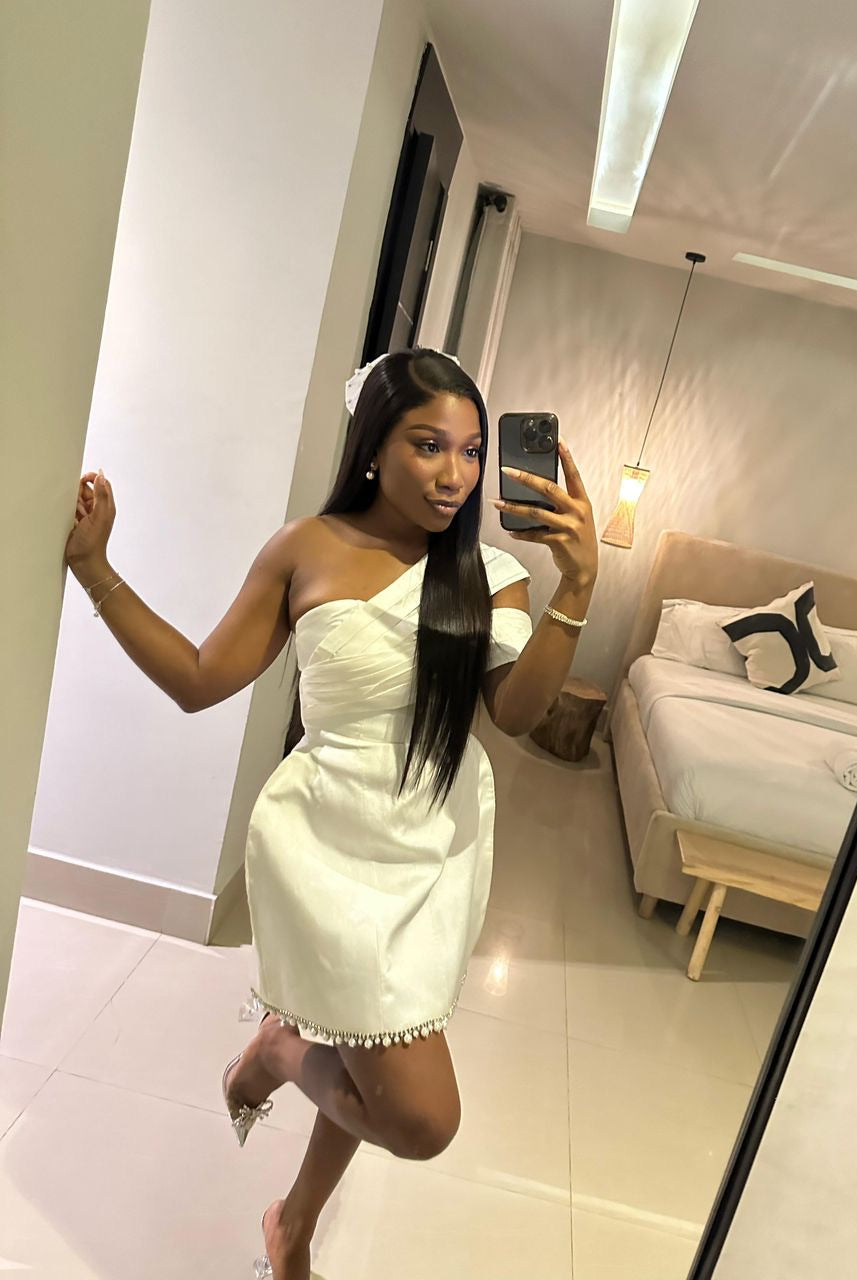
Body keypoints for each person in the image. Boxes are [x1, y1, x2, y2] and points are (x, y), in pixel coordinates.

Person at [65, 348, 598, 1279]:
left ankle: (293, 1226)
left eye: (472, 451)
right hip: (322, 842)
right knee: (421, 1118)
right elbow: (199, 679)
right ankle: (280, 1053)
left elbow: (515, 713)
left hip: (430, 848)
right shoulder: (304, 549)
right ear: (373, 447)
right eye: (428, 445)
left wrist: (578, 592)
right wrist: (95, 570)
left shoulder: (491, 573)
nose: (456, 474)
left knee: (372, 1041)